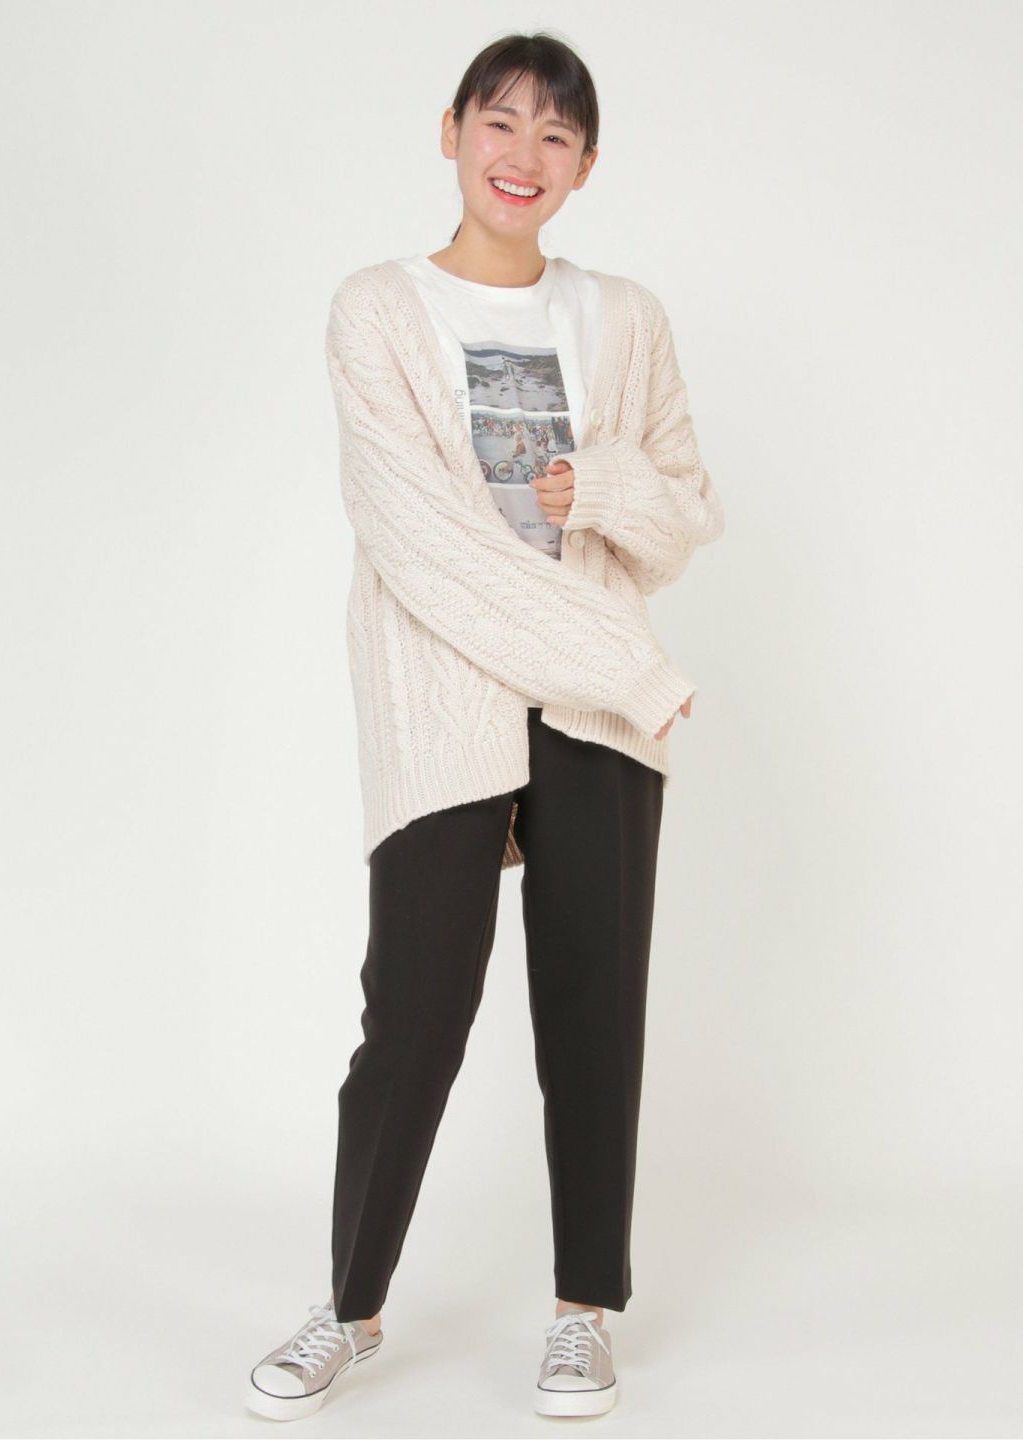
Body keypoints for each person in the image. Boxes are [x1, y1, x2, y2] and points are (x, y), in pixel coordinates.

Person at [244, 30, 725, 1423]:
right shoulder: (378, 310)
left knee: (594, 1008)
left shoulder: (625, 317)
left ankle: (585, 1314)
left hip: (592, 720)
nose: (524, 156)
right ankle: (349, 1307)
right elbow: (419, 540)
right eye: (501, 123)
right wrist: (629, 665)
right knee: (413, 1014)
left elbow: (686, 512)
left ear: (586, 166)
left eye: (556, 136)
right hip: (449, 689)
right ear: (450, 129)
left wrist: (607, 490)